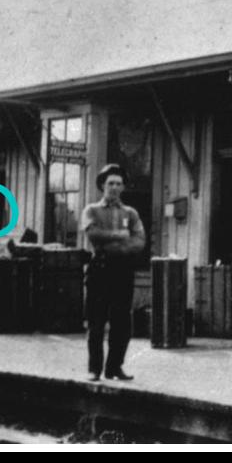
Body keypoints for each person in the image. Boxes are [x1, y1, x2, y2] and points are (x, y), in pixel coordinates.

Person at [81, 163, 146, 382]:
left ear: (123, 187)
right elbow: (94, 235)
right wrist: (120, 235)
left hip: (122, 271)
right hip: (99, 269)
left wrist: (118, 246)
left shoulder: (131, 213)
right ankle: (94, 369)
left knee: (122, 323)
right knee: (96, 322)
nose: (114, 188)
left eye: (118, 184)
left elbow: (139, 241)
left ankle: (114, 367)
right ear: (102, 185)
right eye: (110, 183)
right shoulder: (92, 210)